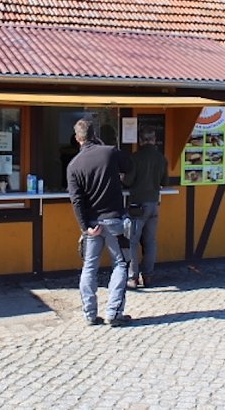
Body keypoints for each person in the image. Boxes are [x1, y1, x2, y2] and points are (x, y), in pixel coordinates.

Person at [66, 118, 133, 327]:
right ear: (95, 134)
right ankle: (114, 312)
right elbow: (130, 165)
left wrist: (84, 227)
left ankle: (89, 314)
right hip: (114, 221)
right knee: (121, 264)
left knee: (89, 267)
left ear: (77, 138)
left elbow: (76, 200)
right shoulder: (110, 152)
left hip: (92, 224)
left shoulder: (73, 165)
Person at [123, 126, 168, 289]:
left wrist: (122, 177)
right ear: (154, 140)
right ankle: (148, 277)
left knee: (133, 242)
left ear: (140, 141)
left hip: (137, 205)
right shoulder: (161, 158)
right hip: (154, 204)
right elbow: (165, 182)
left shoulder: (135, 158)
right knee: (150, 242)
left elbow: (128, 181)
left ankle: (133, 278)